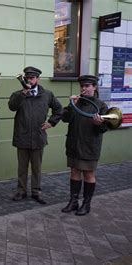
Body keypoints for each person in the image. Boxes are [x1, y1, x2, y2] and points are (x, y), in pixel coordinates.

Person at [8, 66, 62, 204]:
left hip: (38, 136)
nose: (29, 81)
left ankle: (36, 192)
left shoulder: (47, 94)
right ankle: (21, 191)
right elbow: (12, 107)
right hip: (22, 136)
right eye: (27, 78)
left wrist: (51, 122)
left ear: (38, 79)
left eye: (32, 78)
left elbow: (59, 109)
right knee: (22, 167)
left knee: (37, 168)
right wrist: (23, 93)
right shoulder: (18, 94)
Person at [60, 75, 108, 216]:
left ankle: (86, 204)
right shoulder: (77, 102)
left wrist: (98, 124)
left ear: (94, 87)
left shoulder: (101, 105)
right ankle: (73, 202)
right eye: (82, 86)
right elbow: (65, 118)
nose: (84, 89)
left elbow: (104, 129)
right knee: (74, 172)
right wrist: (70, 105)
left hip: (89, 145)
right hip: (74, 144)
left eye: (87, 86)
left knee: (88, 174)